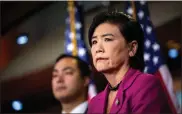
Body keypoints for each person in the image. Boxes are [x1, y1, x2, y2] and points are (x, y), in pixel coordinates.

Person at [87, 11, 174, 114]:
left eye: (107, 39)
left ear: (132, 48)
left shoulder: (145, 85)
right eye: (94, 42)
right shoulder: (94, 103)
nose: (98, 49)